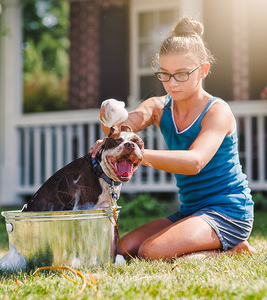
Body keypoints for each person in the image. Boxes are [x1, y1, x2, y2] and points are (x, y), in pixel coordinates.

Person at [90, 17, 256, 260]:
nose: (171, 83)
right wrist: (110, 124)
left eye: (181, 74)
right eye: (165, 75)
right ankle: (208, 242)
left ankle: (233, 250)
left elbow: (194, 161)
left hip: (228, 212)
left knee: (151, 251)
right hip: (191, 211)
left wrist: (137, 154)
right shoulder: (158, 107)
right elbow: (125, 127)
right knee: (121, 250)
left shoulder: (217, 112)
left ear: (203, 70)